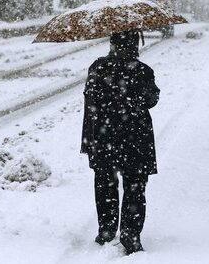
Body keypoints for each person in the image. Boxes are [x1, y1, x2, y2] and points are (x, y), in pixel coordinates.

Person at [81, 30, 160, 255]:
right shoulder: (143, 70)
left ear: (112, 44)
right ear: (135, 45)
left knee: (105, 182)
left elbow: (90, 99)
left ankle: (106, 229)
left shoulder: (98, 67)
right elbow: (151, 100)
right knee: (135, 185)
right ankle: (131, 233)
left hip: (105, 136)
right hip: (136, 136)